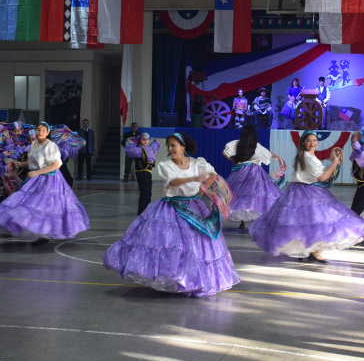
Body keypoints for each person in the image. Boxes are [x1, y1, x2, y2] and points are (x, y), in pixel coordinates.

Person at [102, 132, 241, 297]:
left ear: (183, 146)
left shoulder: (198, 163)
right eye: (169, 146)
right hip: (172, 208)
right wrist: (194, 179)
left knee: (195, 246)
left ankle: (190, 280)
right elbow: (173, 181)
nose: (170, 148)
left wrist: (201, 189)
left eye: (173, 145)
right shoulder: (166, 165)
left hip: (194, 207)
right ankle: (170, 278)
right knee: (170, 246)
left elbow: (212, 175)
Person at [249, 130, 364, 263]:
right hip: (307, 191)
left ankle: (311, 252)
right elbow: (322, 177)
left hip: (299, 191)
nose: (312, 143)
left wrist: (331, 161)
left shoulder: (305, 156)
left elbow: (315, 171)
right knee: (317, 222)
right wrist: (334, 163)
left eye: (314, 140)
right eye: (309, 140)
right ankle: (313, 252)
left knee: (307, 222)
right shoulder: (308, 157)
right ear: (303, 143)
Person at [0, 122, 90, 246]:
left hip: (51, 180)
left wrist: (37, 172)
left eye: (42, 131)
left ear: (47, 133)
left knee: (45, 206)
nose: (39, 133)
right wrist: (19, 164)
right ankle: (42, 234)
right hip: (40, 178)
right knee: (35, 205)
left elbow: (56, 165)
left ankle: (44, 234)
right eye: (38, 130)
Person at [222, 124, 282, 230]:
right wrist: (271, 155)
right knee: (254, 195)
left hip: (240, 171)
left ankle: (243, 221)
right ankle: (254, 220)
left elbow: (225, 152)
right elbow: (266, 158)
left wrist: (233, 161)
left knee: (240, 195)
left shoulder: (238, 144)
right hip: (255, 172)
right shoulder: (256, 145)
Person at [125, 132, 160, 215]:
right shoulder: (139, 149)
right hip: (142, 172)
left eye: (147, 139)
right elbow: (131, 152)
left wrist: (155, 141)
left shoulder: (149, 149)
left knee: (148, 192)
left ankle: (147, 209)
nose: (145, 141)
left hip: (148, 173)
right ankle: (142, 211)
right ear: (140, 140)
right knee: (144, 192)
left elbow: (154, 147)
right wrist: (131, 144)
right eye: (143, 139)